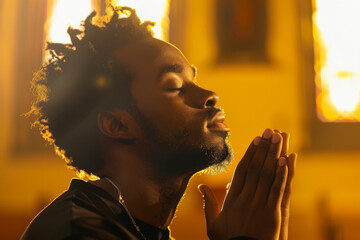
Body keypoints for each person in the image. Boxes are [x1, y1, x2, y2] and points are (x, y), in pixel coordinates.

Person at [22, 5, 297, 240]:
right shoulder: (77, 230)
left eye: (194, 80)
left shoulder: (141, 227)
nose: (209, 95)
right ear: (117, 125)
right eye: (175, 86)